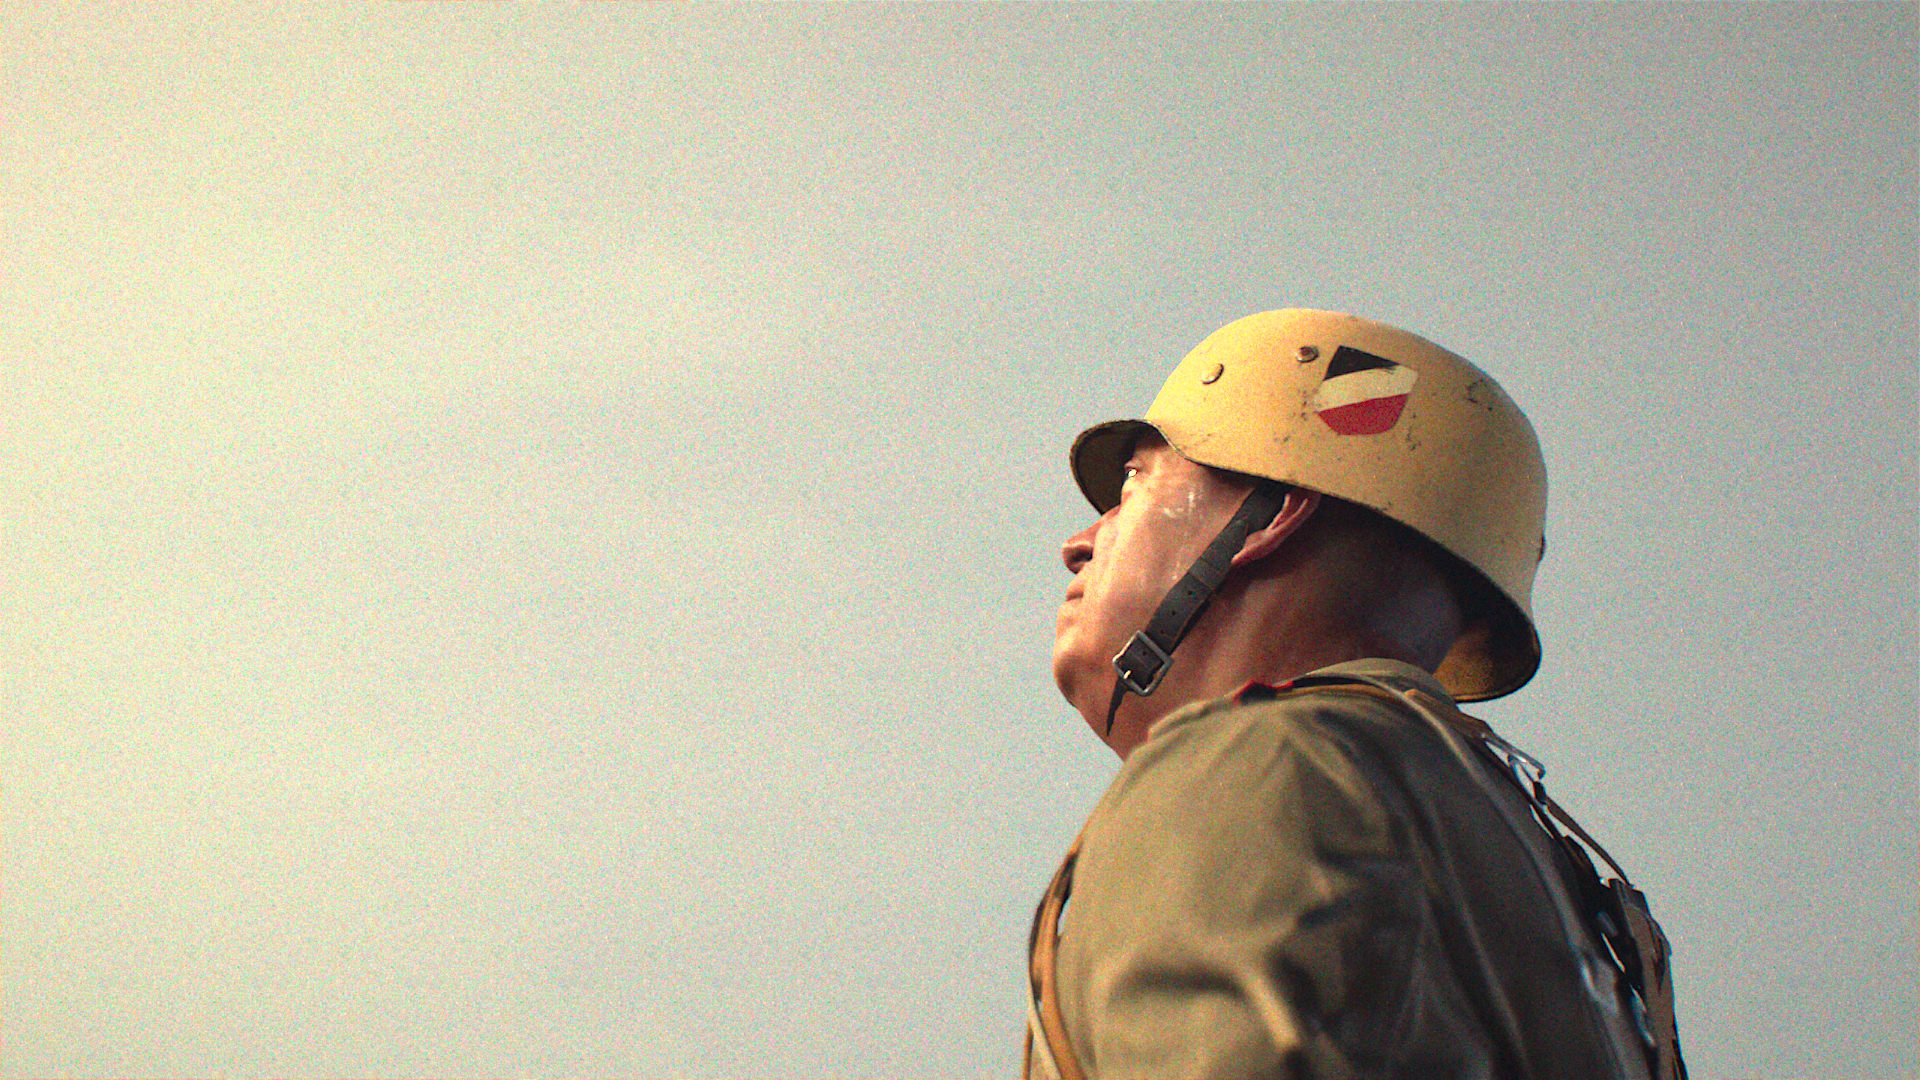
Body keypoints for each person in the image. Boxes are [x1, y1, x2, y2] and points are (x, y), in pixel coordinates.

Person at [1024, 310, 1685, 1080]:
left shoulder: (1258, 767)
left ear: (1272, 515)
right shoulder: (1553, 891)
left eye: (1135, 483)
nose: (1079, 541)